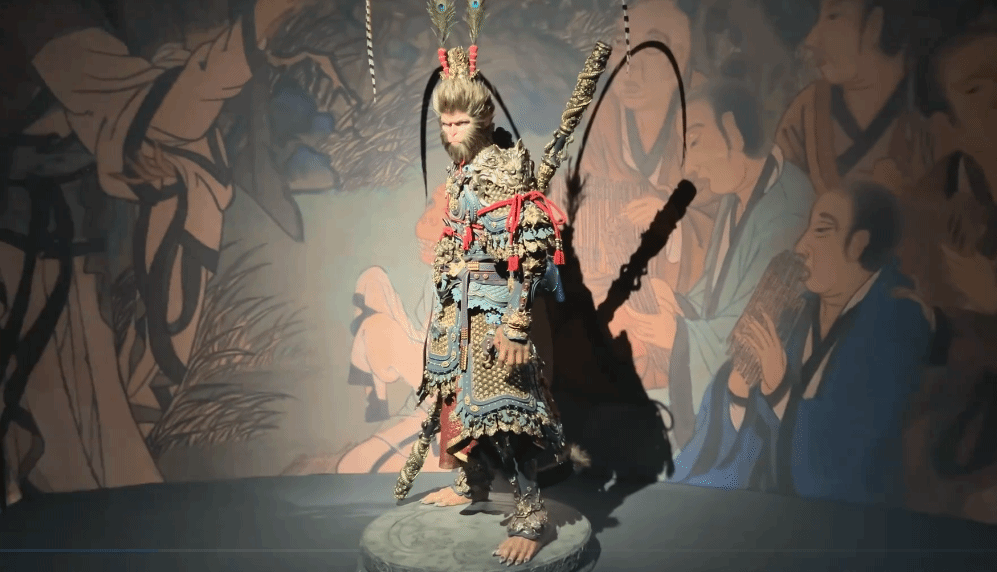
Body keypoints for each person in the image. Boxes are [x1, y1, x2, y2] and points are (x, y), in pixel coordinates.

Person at [0, 0, 326, 506]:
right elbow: (153, 108)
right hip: (23, 261)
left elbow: (149, 112)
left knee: (97, 467)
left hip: (66, 264)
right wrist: (256, 26)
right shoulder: (42, 16)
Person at [393, 8, 574, 565]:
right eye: (444, 125)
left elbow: (532, 245)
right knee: (457, 401)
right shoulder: (466, 169)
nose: (450, 133)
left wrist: (517, 323)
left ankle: (530, 515)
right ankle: (471, 483)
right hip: (460, 310)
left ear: (480, 119)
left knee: (505, 410)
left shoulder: (500, 169)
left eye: (458, 124)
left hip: (495, 312)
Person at [672, 182, 934, 506]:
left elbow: (845, 453)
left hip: (844, 516)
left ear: (858, 244)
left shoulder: (898, 320)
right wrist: (738, 390)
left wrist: (779, 388)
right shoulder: (798, 308)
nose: (801, 245)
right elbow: (750, 440)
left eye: (821, 230)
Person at [618, 81, 815, 449]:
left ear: (733, 131)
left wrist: (678, 334)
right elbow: (717, 290)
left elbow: (755, 328)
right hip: (711, 386)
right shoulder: (737, 194)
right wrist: (677, 301)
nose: (689, 165)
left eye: (694, 142)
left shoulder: (788, 207)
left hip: (748, 409)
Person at [553, 0, 714, 393]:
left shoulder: (708, 116)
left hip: (669, 313)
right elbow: (566, 207)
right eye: (620, 43)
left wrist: (674, 222)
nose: (630, 65)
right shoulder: (594, 116)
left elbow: (726, 217)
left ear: (683, 55)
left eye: (651, 47)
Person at [774, 0, 934, 196]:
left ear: (874, 24)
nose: (812, 40)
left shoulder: (927, 111)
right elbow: (779, 198)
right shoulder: (806, 112)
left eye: (833, 16)